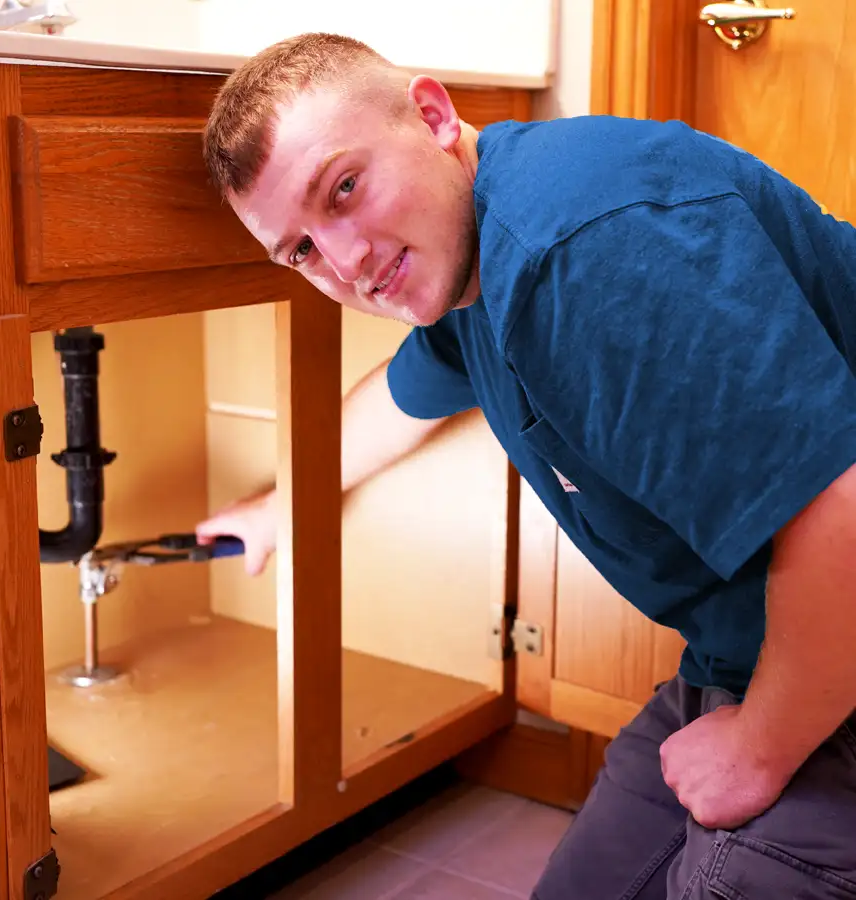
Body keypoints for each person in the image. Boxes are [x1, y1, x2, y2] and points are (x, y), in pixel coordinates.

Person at [197, 32, 856, 900]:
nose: (347, 262)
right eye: (302, 251)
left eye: (345, 189)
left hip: (833, 618)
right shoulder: (471, 259)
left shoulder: (584, 253)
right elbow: (398, 403)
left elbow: (842, 512)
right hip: (756, 647)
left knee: (726, 886)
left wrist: (759, 750)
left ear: (432, 116)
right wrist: (282, 504)